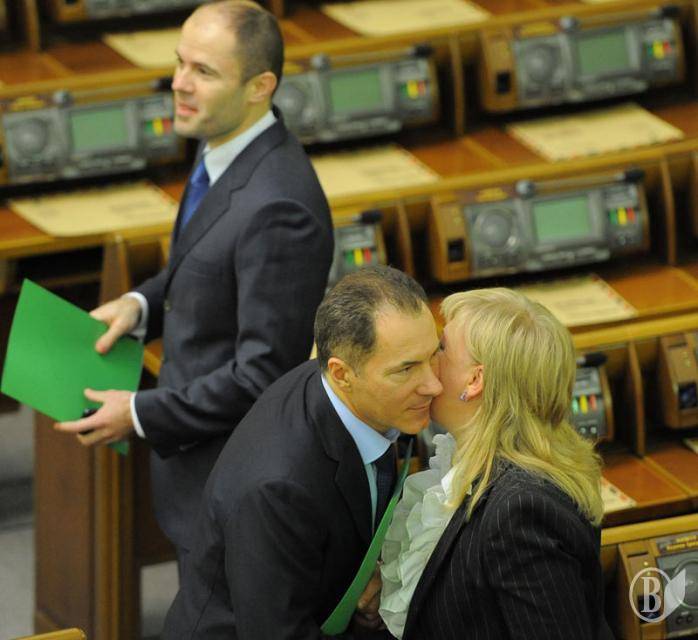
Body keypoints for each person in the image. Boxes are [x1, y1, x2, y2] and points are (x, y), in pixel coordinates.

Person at [54, 0, 333, 559]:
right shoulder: (222, 148)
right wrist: (141, 305)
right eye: (180, 62)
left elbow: (261, 375)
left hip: (233, 486)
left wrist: (139, 413)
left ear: (259, 87)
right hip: (197, 477)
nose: (179, 83)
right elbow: (205, 265)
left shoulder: (279, 207)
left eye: (203, 71)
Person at [162, 265, 443, 639]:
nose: (433, 384)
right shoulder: (278, 489)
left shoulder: (362, 397)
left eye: (434, 355)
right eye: (406, 370)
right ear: (342, 374)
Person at [380, 288, 613, 640]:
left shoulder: (518, 513)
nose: (428, 358)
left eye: (441, 348)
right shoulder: (477, 467)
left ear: (475, 380)